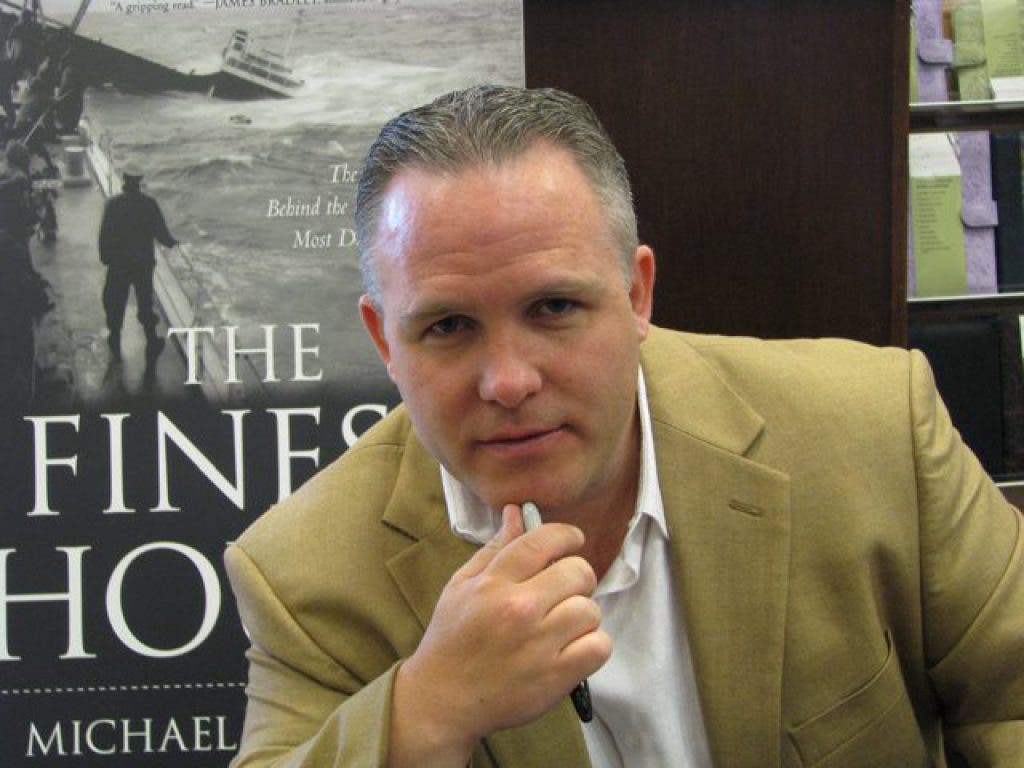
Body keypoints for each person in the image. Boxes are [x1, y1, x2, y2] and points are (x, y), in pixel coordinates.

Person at [225, 85, 1024, 766]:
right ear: (383, 342)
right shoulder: (305, 574)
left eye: (554, 307)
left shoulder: (872, 429)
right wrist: (425, 710)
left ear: (637, 295)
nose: (508, 381)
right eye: (448, 327)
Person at [98, 165, 178, 360]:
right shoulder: (149, 204)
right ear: (139, 182)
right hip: (143, 263)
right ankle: (152, 339)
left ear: (124, 181)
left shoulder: (114, 205)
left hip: (119, 264)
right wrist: (174, 243)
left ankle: (115, 336)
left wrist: (105, 257)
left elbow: (105, 234)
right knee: (145, 302)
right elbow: (162, 234)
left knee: (114, 300)